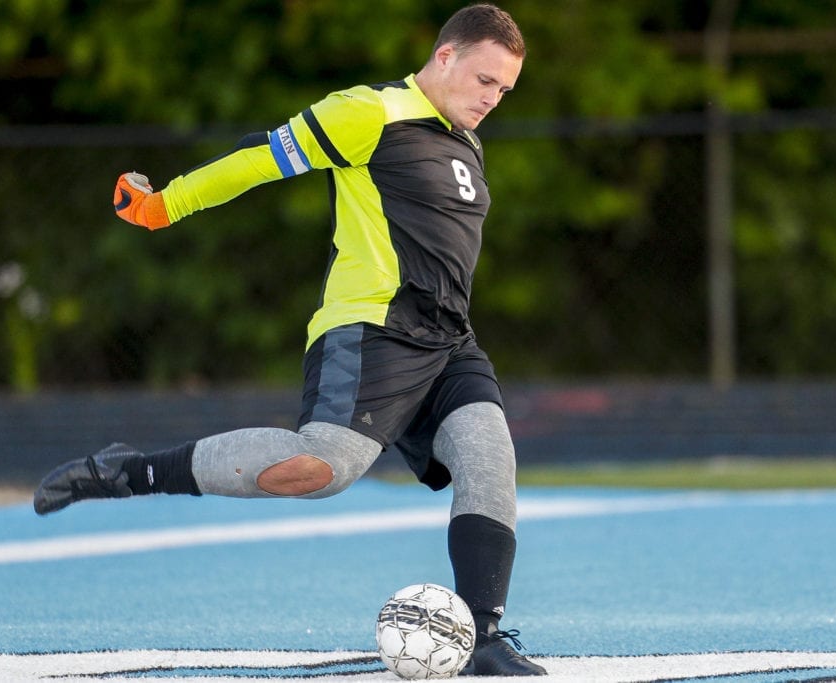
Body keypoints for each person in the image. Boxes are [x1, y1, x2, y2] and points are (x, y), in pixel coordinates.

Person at [34, 3, 545, 676]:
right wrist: (165, 206)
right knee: (317, 470)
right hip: (371, 330)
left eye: (504, 90)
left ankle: (481, 635)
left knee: (489, 456)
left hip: (450, 344)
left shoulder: (465, 142)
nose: (492, 98)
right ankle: (131, 470)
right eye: (485, 79)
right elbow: (259, 160)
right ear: (445, 57)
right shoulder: (368, 113)